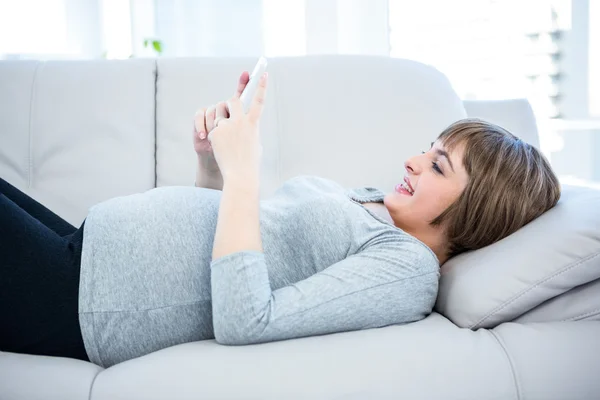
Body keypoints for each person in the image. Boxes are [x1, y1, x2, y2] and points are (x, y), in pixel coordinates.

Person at [0, 71, 561, 368]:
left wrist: (246, 172)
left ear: (476, 208)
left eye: (437, 165)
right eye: (426, 148)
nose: (413, 161)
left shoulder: (406, 271)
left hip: (84, 302)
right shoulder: (374, 205)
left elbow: (248, 317)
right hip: (86, 250)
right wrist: (215, 163)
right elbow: (231, 240)